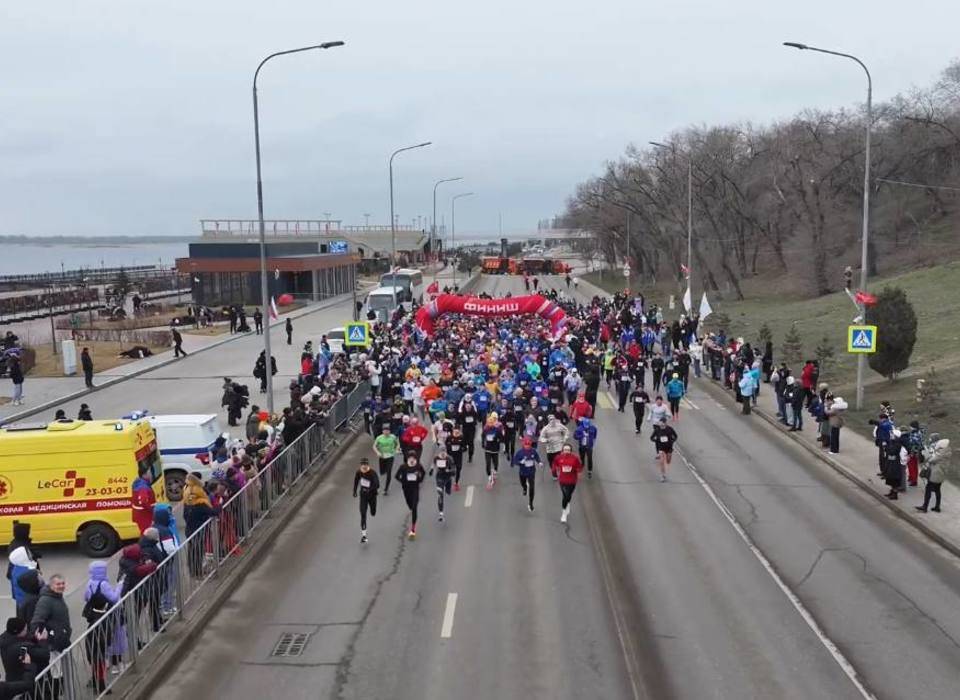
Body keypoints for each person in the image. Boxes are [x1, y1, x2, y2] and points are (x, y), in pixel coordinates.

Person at [82, 560, 121, 693]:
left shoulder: (90, 583)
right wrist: (120, 586)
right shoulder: (104, 584)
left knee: (95, 656)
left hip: (93, 619)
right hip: (102, 625)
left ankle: (95, 680)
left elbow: (86, 597)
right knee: (99, 656)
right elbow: (114, 598)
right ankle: (101, 685)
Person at [0, 618, 43, 699]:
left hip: (11, 680)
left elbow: (24, 640)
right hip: (23, 682)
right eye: (25, 630)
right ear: (17, 632)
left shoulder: (4, 640)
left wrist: (34, 640)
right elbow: (44, 654)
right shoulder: (18, 647)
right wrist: (42, 641)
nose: (26, 632)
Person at [29, 574, 71, 653]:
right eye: (58, 584)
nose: (61, 586)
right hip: (53, 645)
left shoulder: (57, 596)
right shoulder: (45, 601)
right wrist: (42, 641)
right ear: (51, 586)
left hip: (61, 639)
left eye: (63, 583)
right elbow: (36, 621)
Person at [7, 523, 39, 607]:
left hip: (19, 575)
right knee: (25, 603)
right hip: (25, 577)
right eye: (27, 531)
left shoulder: (16, 543)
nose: (29, 533)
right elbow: (26, 558)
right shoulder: (19, 546)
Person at [916, 436, 951, 513]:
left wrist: (927, 454)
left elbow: (931, 460)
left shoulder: (940, 454)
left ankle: (924, 507)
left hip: (935, 474)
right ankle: (937, 507)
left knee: (928, 489)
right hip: (941, 475)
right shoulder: (948, 452)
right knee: (938, 490)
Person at [395, 453, 426, 539]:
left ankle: (413, 529)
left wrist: (419, 479)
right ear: (408, 459)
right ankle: (412, 509)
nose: (412, 460)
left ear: (415, 459)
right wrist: (403, 481)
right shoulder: (403, 467)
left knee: (414, 507)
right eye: (410, 458)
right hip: (406, 488)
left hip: (415, 488)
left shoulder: (418, 466)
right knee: (410, 505)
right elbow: (397, 476)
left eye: (413, 458)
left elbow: (423, 473)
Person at [551, 443, 583, 523]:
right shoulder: (559, 457)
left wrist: (578, 472)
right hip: (562, 480)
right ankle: (564, 513)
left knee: (569, 495)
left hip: (572, 480)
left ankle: (568, 503)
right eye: (565, 450)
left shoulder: (575, 458)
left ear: (571, 451)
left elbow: (579, 467)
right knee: (565, 495)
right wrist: (554, 470)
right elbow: (555, 464)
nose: (567, 451)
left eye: (568, 450)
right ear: (562, 450)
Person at [353, 458, 380, 544]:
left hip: (372, 496)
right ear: (361, 465)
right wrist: (354, 491)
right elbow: (356, 481)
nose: (364, 467)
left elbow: (377, 485)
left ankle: (373, 510)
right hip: (363, 496)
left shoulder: (372, 473)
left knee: (373, 512)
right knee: (363, 513)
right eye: (362, 465)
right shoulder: (359, 472)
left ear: (368, 465)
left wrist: (370, 489)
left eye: (365, 465)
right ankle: (364, 535)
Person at [511, 437, 542, 512]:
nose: (527, 446)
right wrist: (520, 462)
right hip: (523, 472)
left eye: (529, 445)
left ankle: (530, 504)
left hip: (531, 472)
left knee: (532, 488)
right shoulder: (520, 452)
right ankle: (524, 488)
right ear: (523, 445)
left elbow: (537, 457)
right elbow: (514, 461)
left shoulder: (533, 451)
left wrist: (539, 462)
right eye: (526, 445)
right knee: (523, 483)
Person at [373, 424, 400, 495]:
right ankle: (379, 482)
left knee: (389, 472)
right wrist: (377, 452)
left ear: (389, 431)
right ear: (382, 431)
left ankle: (386, 489)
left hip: (390, 456)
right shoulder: (379, 438)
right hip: (382, 457)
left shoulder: (393, 437)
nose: (386, 432)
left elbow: (397, 444)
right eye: (385, 431)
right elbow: (374, 446)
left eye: (387, 430)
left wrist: (397, 449)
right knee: (382, 472)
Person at [650, 416, 678, 482]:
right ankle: (663, 475)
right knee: (662, 462)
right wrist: (656, 440)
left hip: (669, 447)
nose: (660, 424)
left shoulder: (670, 429)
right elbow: (651, 438)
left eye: (662, 423)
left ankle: (666, 465)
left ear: (665, 423)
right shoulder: (657, 430)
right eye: (660, 422)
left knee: (668, 461)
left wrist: (672, 441)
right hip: (661, 448)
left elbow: (675, 436)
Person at [131, 465, 156, 535]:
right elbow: (143, 502)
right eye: (149, 472)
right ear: (144, 475)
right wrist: (152, 510)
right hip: (144, 515)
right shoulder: (143, 487)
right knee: (147, 533)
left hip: (141, 514)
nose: (151, 474)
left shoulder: (139, 483)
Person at [430, 449, 453, 522]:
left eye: (444, 453)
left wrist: (449, 471)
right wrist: (431, 470)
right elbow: (433, 464)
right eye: (441, 453)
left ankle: (448, 489)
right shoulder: (436, 458)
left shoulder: (449, 458)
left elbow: (453, 469)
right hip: (439, 477)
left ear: (446, 453)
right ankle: (441, 514)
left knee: (448, 492)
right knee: (440, 494)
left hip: (447, 477)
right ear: (439, 453)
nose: (442, 455)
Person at [481, 413, 503, 489]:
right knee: (488, 463)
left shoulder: (497, 430)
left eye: (491, 423)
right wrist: (483, 444)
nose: (490, 424)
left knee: (495, 463)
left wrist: (497, 439)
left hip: (495, 449)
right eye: (488, 423)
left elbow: (501, 438)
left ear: (493, 423)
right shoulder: (486, 429)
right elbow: (483, 436)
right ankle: (490, 477)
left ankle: (495, 471)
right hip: (487, 449)